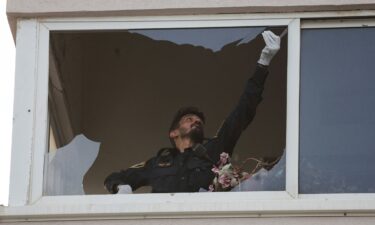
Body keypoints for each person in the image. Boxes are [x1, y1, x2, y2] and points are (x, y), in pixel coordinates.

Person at [104, 30, 281, 194]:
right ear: (173, 133)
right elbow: (114, 177)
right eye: (189, 119)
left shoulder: (214, 149)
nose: (196, 121)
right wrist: (120, 187)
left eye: (199, 121)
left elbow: (243, 111)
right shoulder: (156, 164)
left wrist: (262, 64)